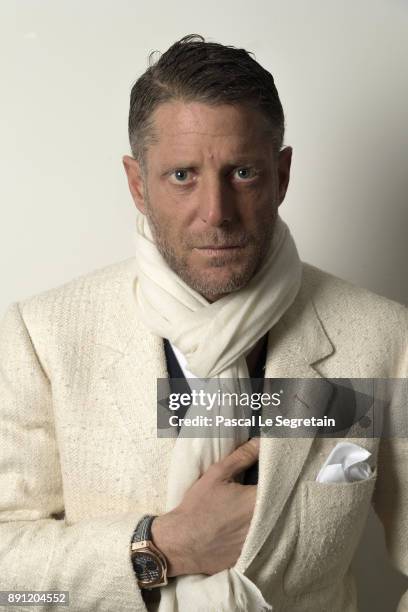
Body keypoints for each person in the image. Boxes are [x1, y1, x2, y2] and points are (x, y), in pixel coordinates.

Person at [0, 34, 407, 612]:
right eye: (183, 176)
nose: (215, 213)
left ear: (282, 175)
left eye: (242, 172)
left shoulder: (383, 340)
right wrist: (160, 547)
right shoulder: (43, 338)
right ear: (138, 185)